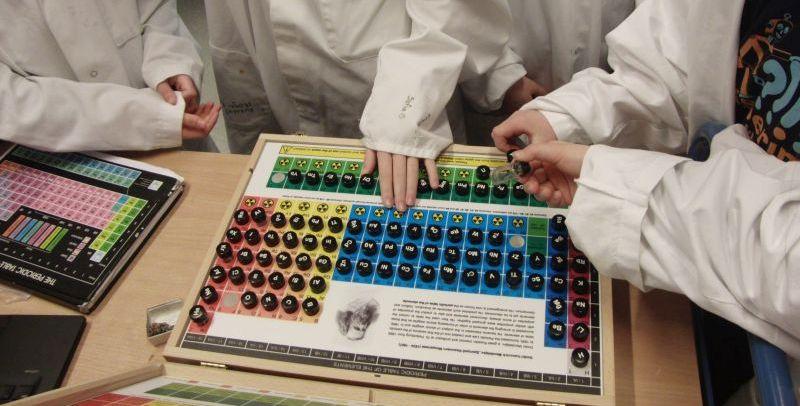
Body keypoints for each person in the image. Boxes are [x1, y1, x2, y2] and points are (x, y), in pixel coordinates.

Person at [491, 0, 800, 390]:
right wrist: (564, 118)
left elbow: (786, 265)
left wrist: (612, 179)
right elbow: (667, 68)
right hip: (684, 262)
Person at [206, 0, 516, 211]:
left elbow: (457, 16)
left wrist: (403, 111)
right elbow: (230, 30)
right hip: (279, 89)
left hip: (402, 94)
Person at [0, 1, 221, 152]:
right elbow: (14, 103)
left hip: (172, 120)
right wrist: (144, 119)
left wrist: (169, 62)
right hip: (68, 157)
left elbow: (156, 8)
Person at [461, 0, 638, 144]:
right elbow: (456, 11)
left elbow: (657, 35)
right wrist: (502, 75)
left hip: (624, 101)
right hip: (508, 92)